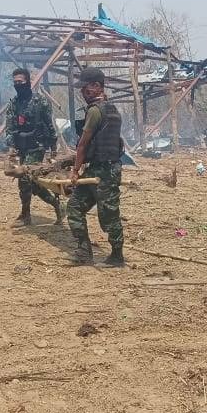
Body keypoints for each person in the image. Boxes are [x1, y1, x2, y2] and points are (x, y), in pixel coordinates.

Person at [68, 67, 124, 266]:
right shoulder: (112, 109)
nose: (83, 92)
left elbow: (83, 144)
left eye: (86, 88)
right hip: (99, 169)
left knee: (109, 215)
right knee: (74, 206)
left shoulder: (94, 111)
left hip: (105, 172)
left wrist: (75, 171)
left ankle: (117, 256)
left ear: (97, 86)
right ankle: (84, 251)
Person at [6, 68, 62, 227]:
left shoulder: (40, 101)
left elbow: (49, 124)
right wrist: (11, 146)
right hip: (22, 147)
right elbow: (9, 127)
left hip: (37, 146)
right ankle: (57, 205)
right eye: (15, 82)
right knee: (33, 183)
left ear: (28, 82)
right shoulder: (14, 104)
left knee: (25, 179)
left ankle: (25, 215)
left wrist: (53, 147)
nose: (18, 85)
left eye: (20, 82)